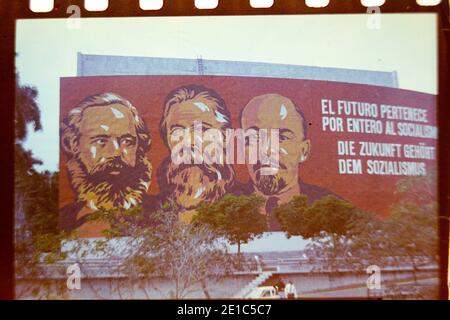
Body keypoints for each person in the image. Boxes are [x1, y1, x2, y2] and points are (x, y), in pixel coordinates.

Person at [59, 92, 159, 236]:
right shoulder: (65, 221)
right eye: (101, 141)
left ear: (140, 145)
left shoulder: (163, 214)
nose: (115, 153)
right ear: (72, 144)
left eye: (126, 141)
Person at [240, 93, 339, 230]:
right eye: (253, 138)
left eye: (281, 137)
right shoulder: (220, 209)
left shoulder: (333, 209)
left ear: (304, 151)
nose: (266, 150)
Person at [157, 84, 237, 222]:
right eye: (177, 131)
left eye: (202, 130)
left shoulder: (242, 204)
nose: (188, 142)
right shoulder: (151, 210)